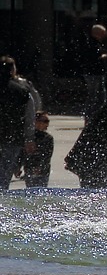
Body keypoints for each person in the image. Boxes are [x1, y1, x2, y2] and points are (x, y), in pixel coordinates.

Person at [1, 56, 34, 190]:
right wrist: (30, 138)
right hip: (12, 136)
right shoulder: (21, 91)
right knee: (4, 176)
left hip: (10, 136)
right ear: (12, 70)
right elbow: (30, 115)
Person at [17, 111, 53, 188]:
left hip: (43, 170)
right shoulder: (28, 138)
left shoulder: (48, 138)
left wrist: (40, 166)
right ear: (36, 122)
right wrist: (17, 167)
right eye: (45, 121)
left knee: (41, 190)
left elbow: (47, 155)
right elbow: (21, 153)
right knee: (31, 190)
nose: (47, 124)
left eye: (47, 121)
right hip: (29, 168)